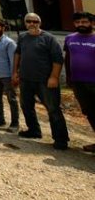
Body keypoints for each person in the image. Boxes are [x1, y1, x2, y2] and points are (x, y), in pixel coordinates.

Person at [13, 13, 69, 150]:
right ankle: (34, 130)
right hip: (26, 79)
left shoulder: (49, 38)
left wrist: (54, 77)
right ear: (25, 23)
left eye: (35, 21)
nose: (32, 24)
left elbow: (58, 59)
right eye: (29, 21)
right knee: (26, 106)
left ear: (40, 22)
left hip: (45, 81)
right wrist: (15, 72)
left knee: (53, 109)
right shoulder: (22, 37)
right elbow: (18, 54)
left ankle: (61, 139)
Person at [64, 12, 95, 153]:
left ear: (92, 23)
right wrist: (68, 77)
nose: (81, 25)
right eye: (77, 22)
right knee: (89, 112)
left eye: (84, 22)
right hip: (78, 83)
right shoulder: (69, 38)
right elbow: (68, 58)